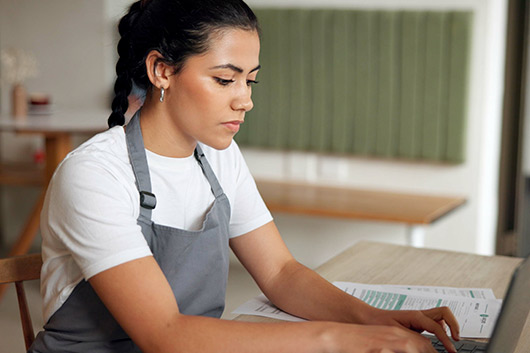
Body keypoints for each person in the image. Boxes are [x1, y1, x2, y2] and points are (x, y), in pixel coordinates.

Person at [29, 0, 460, 352]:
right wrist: (347, 339)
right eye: (224, 80)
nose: (245, 101)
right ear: (162, 70)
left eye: (250, 82)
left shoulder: (220, 156)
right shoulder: (94, 174)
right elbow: (165, 334)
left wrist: (377, 319)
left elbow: (280, 274)